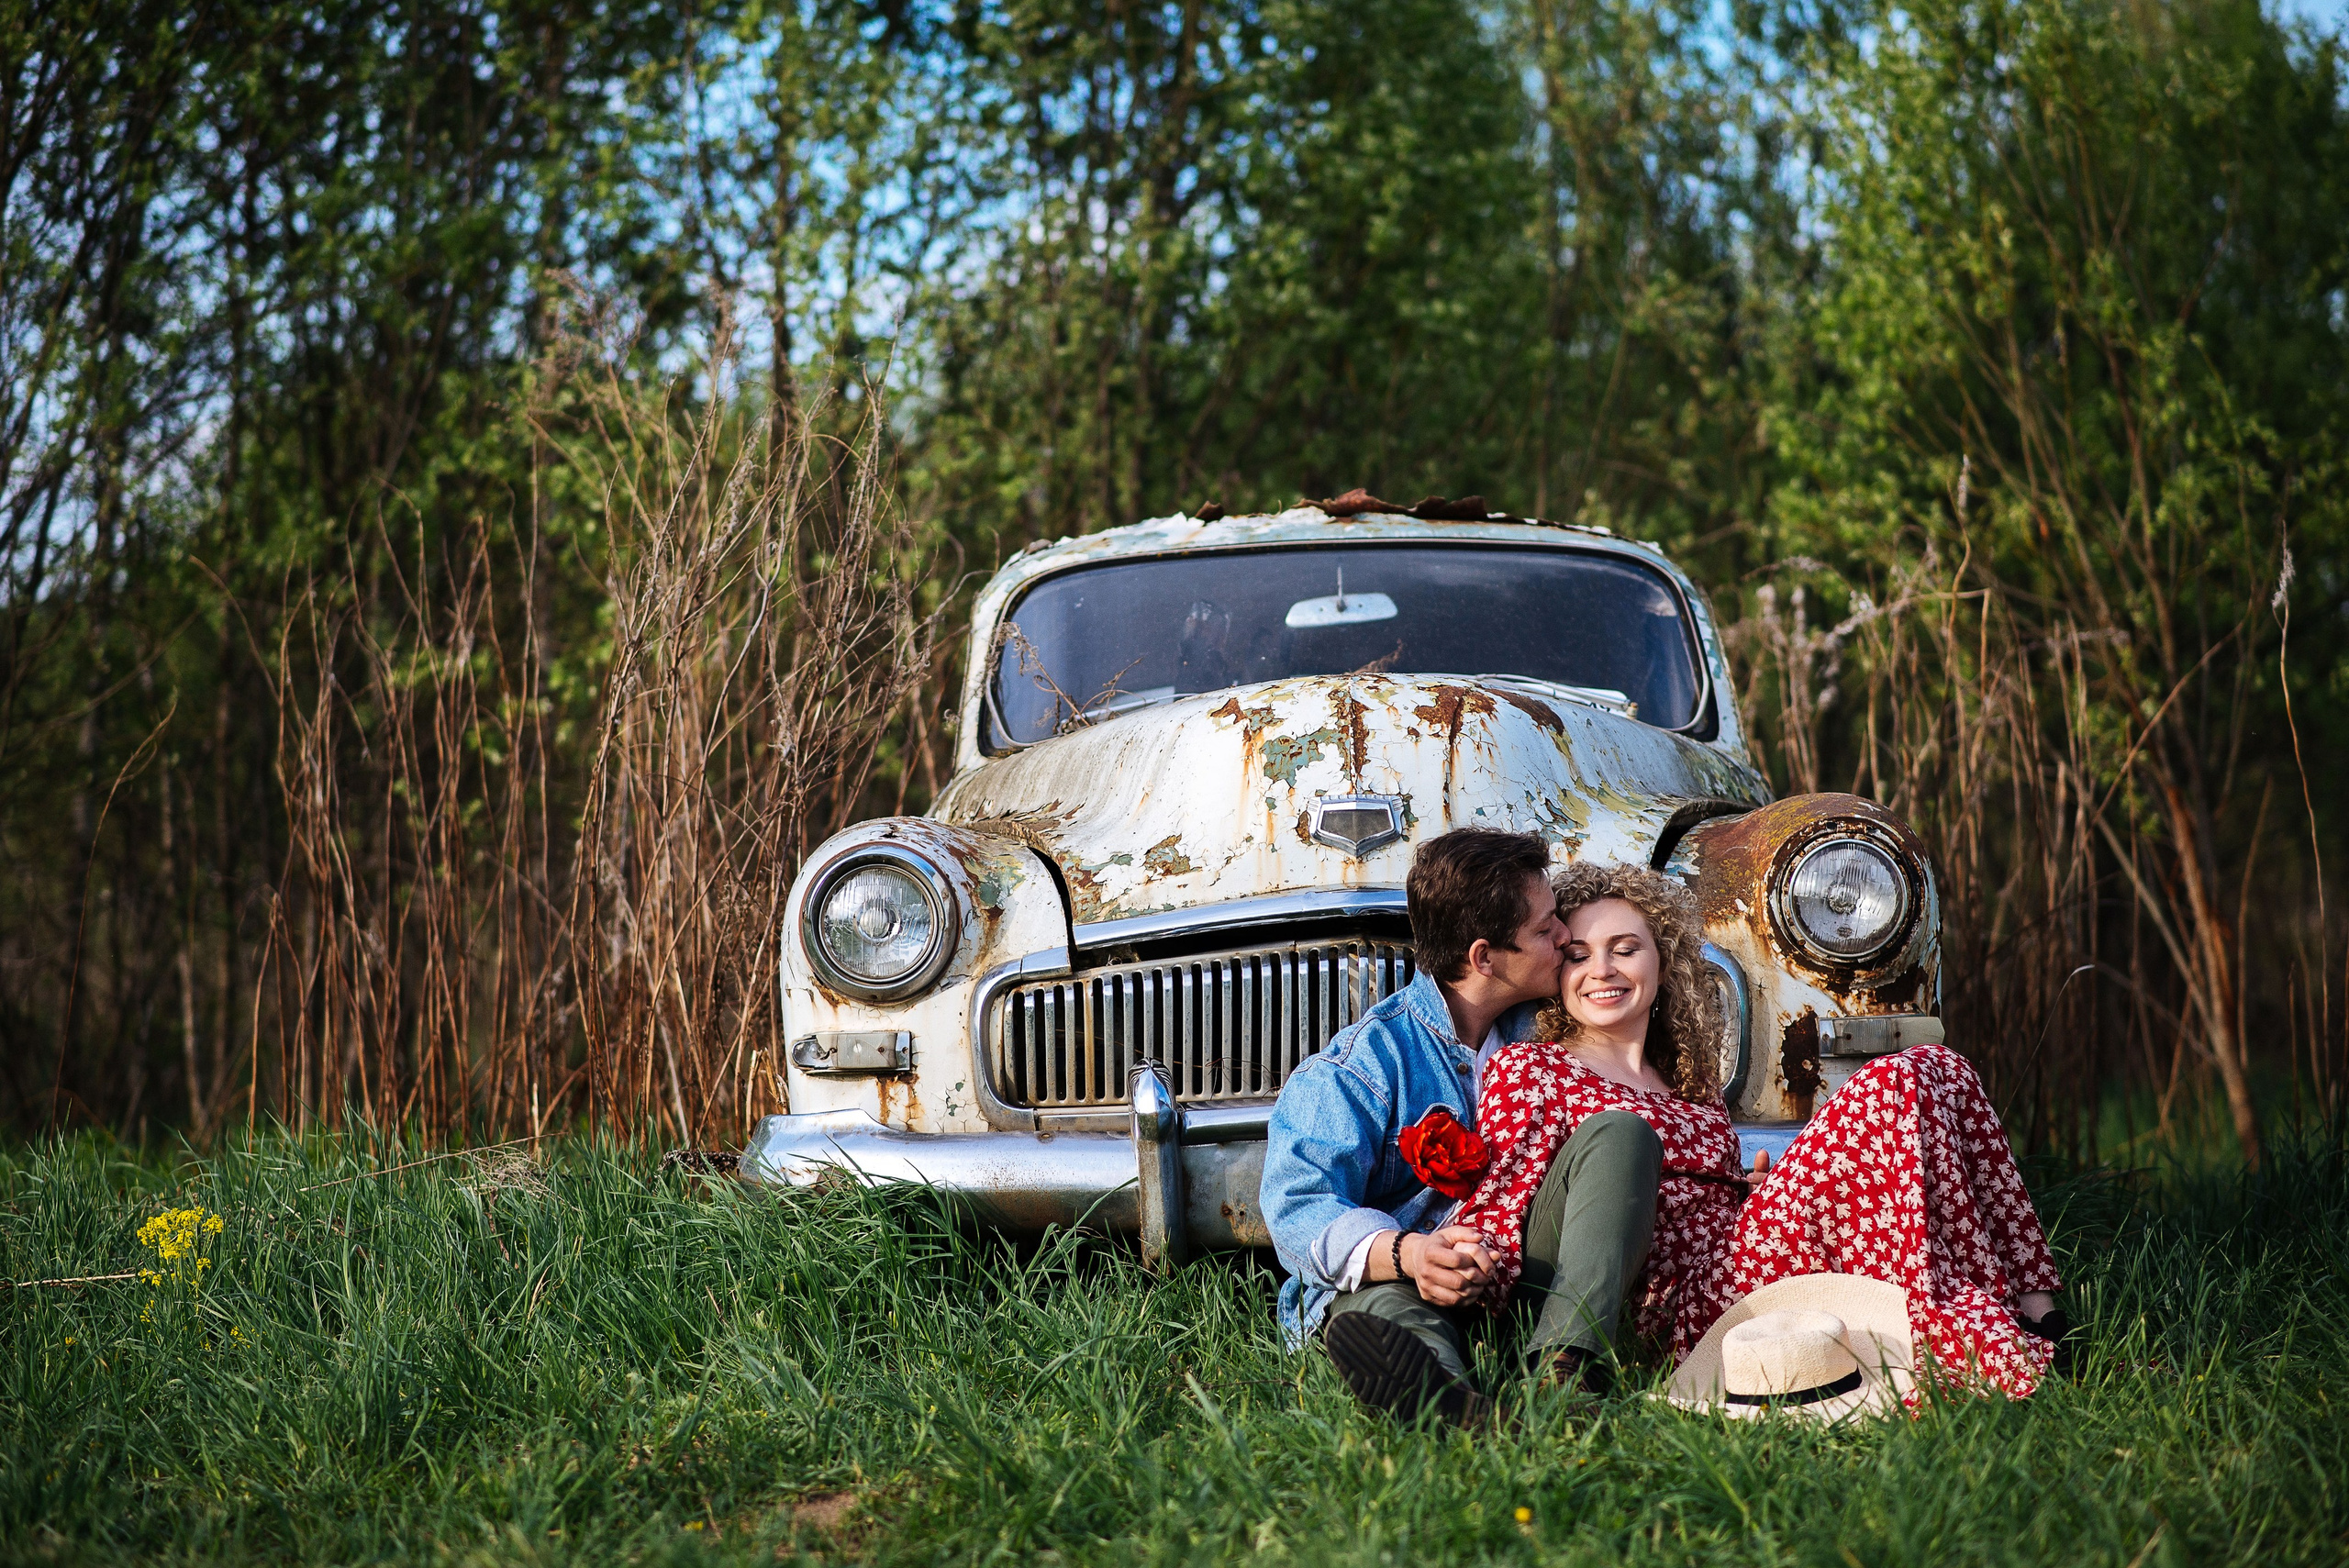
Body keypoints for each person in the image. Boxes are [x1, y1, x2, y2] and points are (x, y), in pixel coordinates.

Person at [1453, 861, 2073, 1402]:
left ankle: (2039, 1315)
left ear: (1662, 959)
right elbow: (1508, 1197)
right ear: (1559, 973)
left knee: (1944, 1066)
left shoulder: (1692, 1088)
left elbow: (1709, 1202)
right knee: (1893, 1083)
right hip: (1678, 1307)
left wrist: (1755, 1195)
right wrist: (1464, 1289)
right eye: (1579, 954)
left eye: (1625, 948)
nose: (1602, 970)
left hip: (1738, 1259)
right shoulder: (1535, 1067)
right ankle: (1983, 1330)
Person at [1260, 828, 1666, 1424]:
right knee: (1379, 1313)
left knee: (1621, 1133)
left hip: (1523, 1271)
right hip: (1405, 1280)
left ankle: (1564, 1368)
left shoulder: (1558, 1027)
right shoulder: (1370, 1062)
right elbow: (1296, 1203)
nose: (1565, 936)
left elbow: (1623, 1154)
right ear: (1484, 957)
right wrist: (1411, 1253)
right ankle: (1449, 1398)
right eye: (1545, 927)